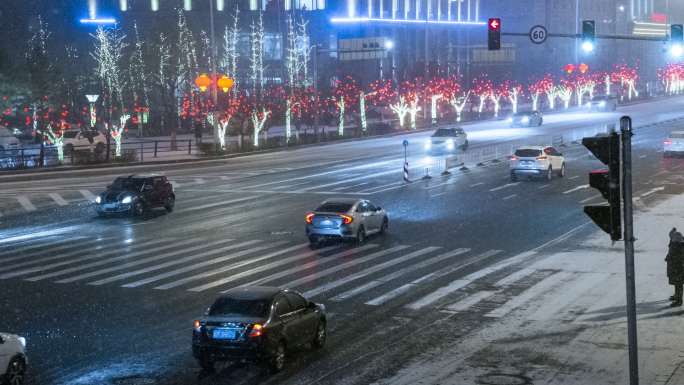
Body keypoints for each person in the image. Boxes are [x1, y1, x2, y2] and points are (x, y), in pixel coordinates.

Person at [666, 227, 684, 307]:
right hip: (674, 268)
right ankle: (676, 296)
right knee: (676, 283)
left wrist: (669, 258)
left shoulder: (680, 247)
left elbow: (677, 258)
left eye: (673, 240)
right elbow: (671, 236)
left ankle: (679, 301)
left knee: (678, 284)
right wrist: (672, 231)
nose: (671, 241)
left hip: (679, 269)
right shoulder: (675, 242)